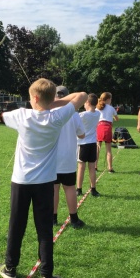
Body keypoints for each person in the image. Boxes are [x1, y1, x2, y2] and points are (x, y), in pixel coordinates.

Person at [0, 78, 88, 278]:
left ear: (34, 98)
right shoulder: (58, 116)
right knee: (44, 230)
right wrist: (52, 103)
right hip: (45, 183)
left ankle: (10, 269)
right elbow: (82, 95)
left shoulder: (22, 115)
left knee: (16, 225)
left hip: (21, 182)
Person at [53, 86, 86, 228]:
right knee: (69, 188)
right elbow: (82, 134)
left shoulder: (49, 111)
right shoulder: (73, 113)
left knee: (54, 188)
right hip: (67, 158)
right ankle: (74, 219)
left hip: (52, 158)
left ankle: (53, 218)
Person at [76, 93, 101, 197]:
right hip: (92, 143)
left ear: (88, 103)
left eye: (85, 103)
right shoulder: (98, 113)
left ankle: (79, 189)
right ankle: (93, 189)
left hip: (83, 143)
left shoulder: (82, 115)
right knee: (92, 167)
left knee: (81, 167)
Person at [95, 92, 119, 173]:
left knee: (98, 148)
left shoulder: (97, 107)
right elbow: (117, 119)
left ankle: (95, 166)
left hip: (99, 127)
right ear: (108, 99)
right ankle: (110, 168)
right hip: (107, 127)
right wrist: (113, 117)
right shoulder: (111, 108)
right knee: (108, 150)